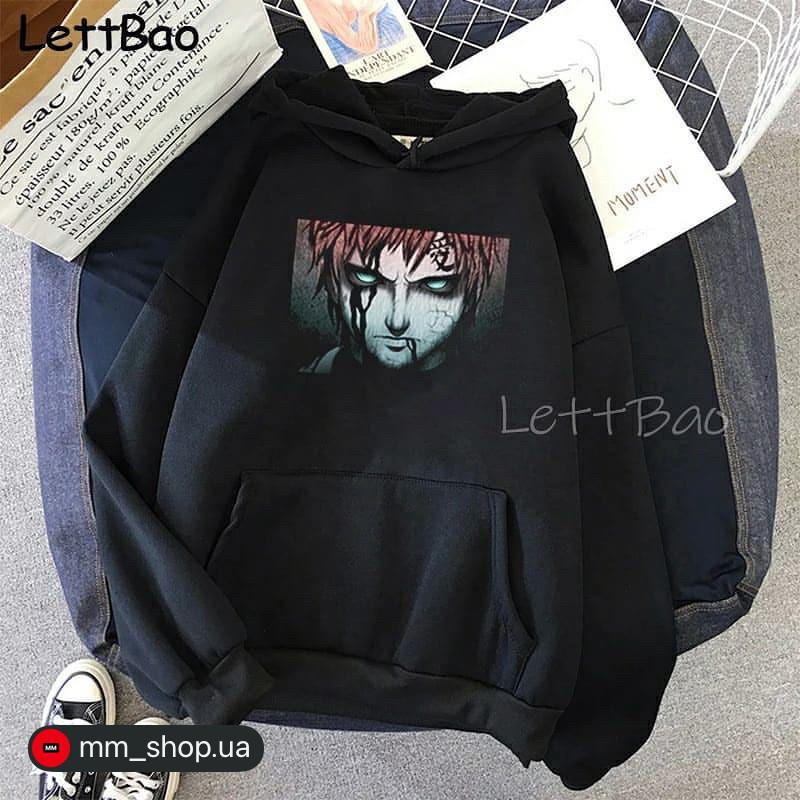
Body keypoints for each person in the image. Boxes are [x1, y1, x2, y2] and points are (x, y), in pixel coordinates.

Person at [298, 220, 499, 373]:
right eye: (366, 278)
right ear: (333, 283)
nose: (397, 322)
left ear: (470, 293)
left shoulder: (488, 394)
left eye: (435, 284)